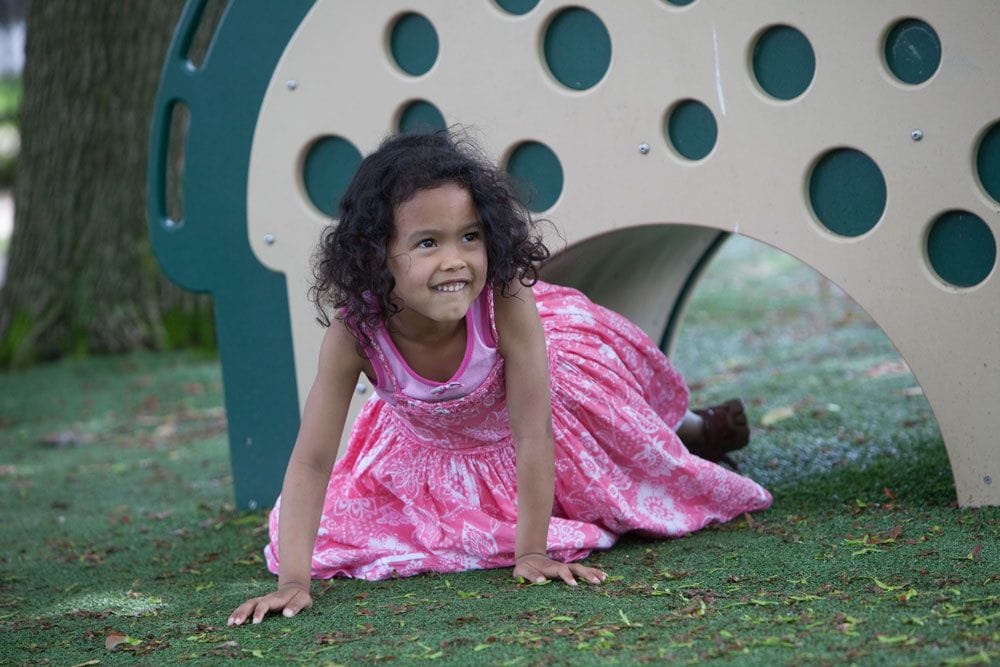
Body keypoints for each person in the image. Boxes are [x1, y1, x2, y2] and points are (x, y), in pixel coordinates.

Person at [228, 130, 771, 626]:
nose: (455, 260)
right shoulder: (356, 334)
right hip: (436, 443)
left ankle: (695, 428)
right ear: (376, 257)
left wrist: (531, 552)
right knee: (335, 531)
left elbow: (533, 431)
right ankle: (684, 432)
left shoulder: (505, 298)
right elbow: (312, 461)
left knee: (634, 438)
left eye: (470, 236)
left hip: (553, 407)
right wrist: (293, 582)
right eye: (427, 243)